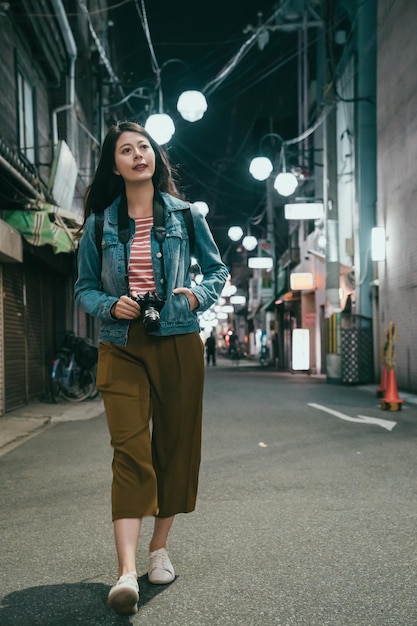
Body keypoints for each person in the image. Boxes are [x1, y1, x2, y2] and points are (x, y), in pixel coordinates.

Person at [74, 120, 228, 616]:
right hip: (121, 344)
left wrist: (195, 294)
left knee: (175, 447)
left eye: (145, 147)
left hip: (179, 338)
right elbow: (83, 288)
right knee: (130, 451)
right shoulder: (100, 223)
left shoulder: (185, 215)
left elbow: (217, 270)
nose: (138, 154)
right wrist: (108, 305)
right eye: (126, 150)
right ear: (113, 165)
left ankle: (158, 549)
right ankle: (124, 573)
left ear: (157, 159)